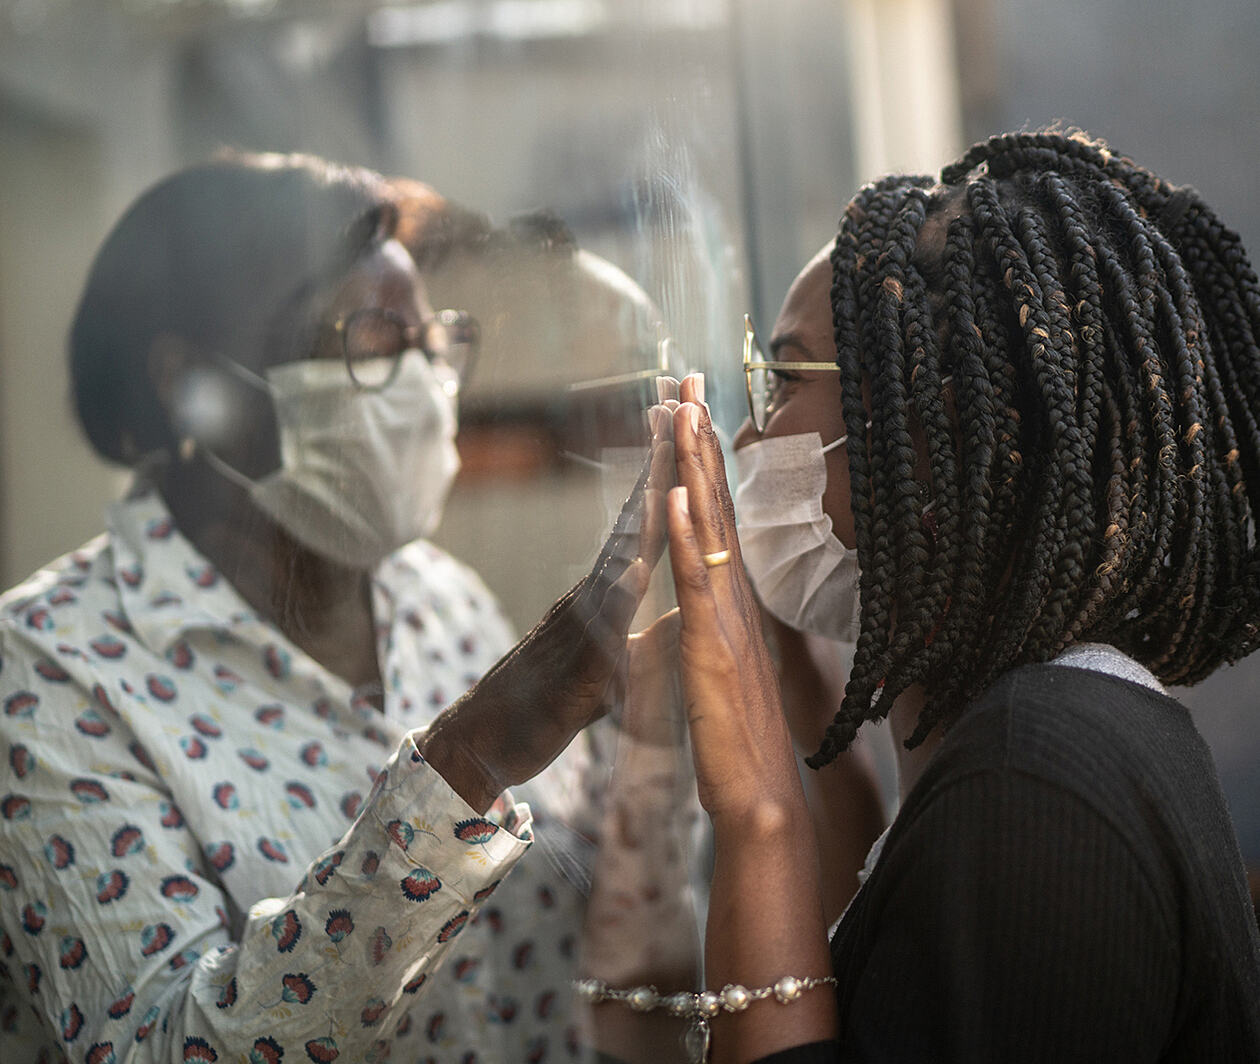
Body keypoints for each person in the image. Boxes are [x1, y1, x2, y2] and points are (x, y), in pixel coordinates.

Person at [580, 130, 1260, 1062]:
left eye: (780, 378)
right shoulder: (1042, 731)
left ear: (937, 437)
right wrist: (773, 678)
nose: (746, 437)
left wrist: (757, 810)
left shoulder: (1032, 782)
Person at [0, 150, 667, 1063]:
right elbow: (163, 1046)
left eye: (437, 343)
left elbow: (599, 940)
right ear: (195, 388)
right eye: (373, 340)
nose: (428, 384)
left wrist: (666, 748)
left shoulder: (441, 600)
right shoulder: (48, 673)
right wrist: (469, 758)